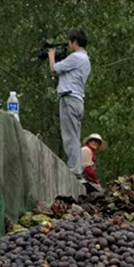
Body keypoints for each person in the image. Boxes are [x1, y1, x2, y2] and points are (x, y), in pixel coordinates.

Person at [49, 28, 91, 179]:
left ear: (74, 42)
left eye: (69, 42)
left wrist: (51, 56)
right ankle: (77, 168)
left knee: (69, 136)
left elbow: (54, 70)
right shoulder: (86, 60)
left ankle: (74, 170)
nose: (68, 44)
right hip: (78, 101)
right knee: (75, 135)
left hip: (69, 99)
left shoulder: (76, 58)